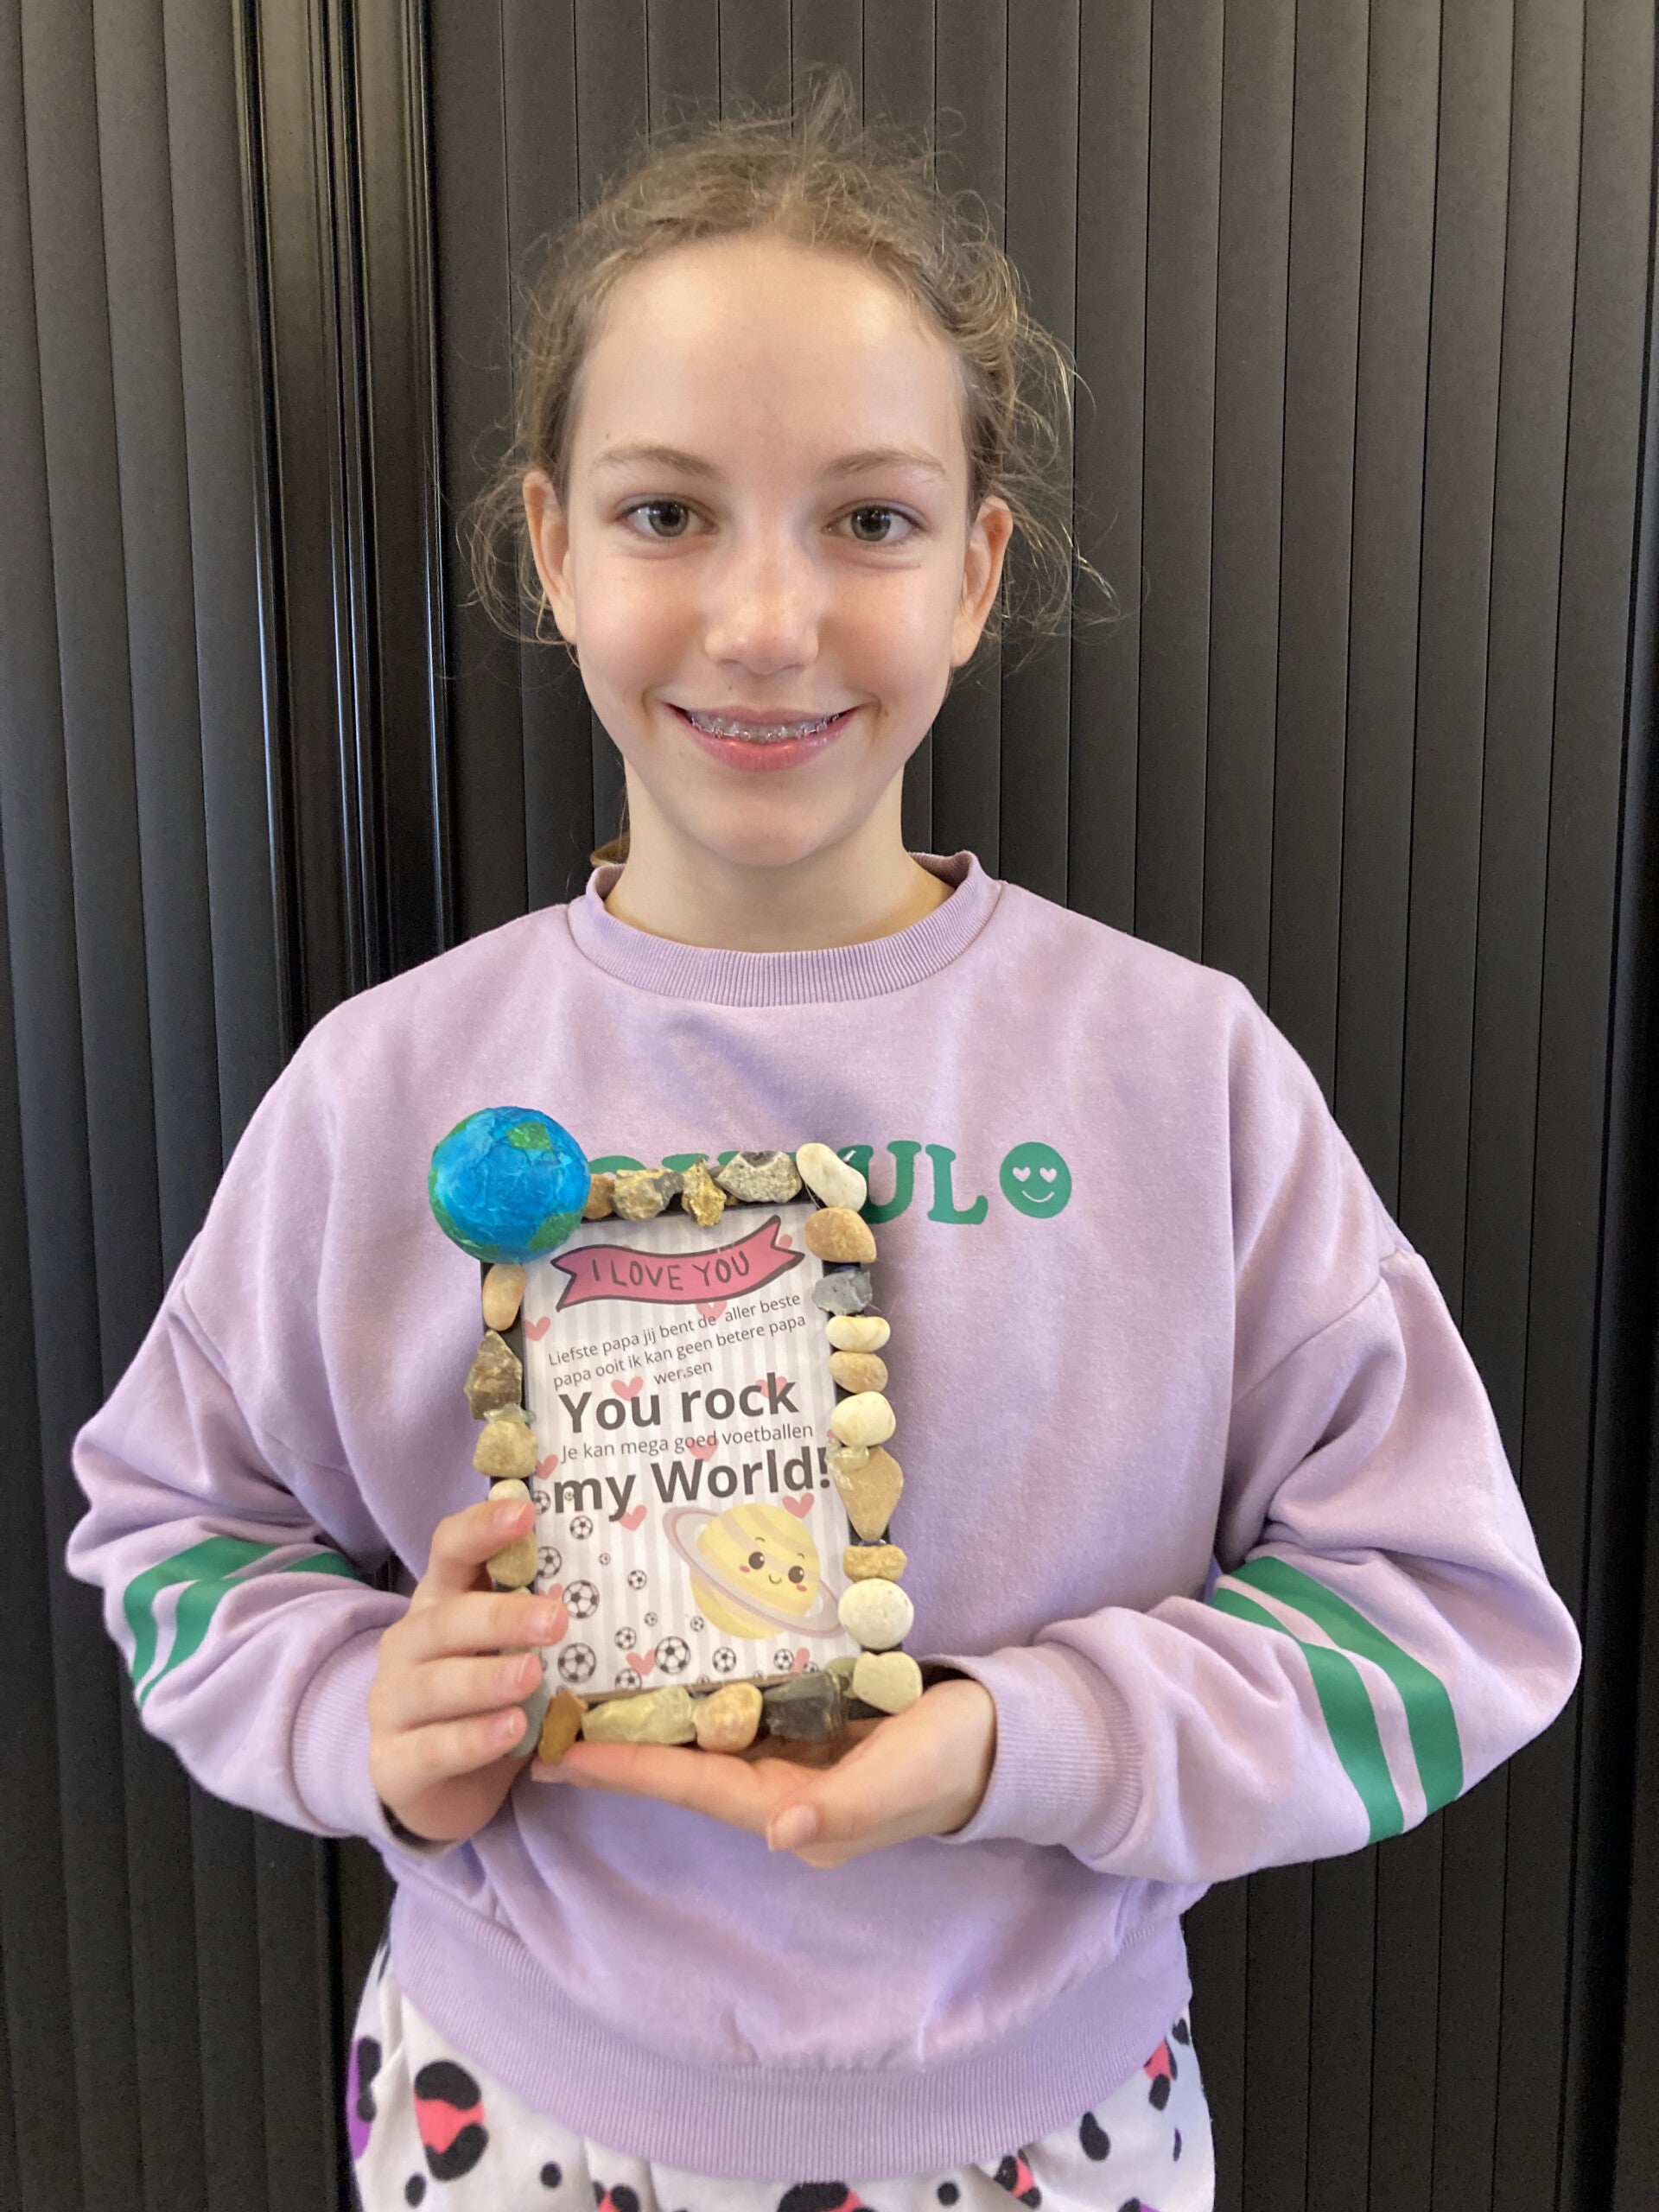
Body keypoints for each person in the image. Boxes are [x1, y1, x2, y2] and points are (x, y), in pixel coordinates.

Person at [64, 70, 1580, 2212]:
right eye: (666, 513)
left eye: (867, 519)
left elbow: (1447, 1627)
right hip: (508, 2113)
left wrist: (1034, 1737)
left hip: (1055, 2127)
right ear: (550, 550)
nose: (765, 622)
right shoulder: (383, 1085)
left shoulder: (1182, 1074)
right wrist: (359, 1713)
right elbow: (168, 1535)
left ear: (975, 572)